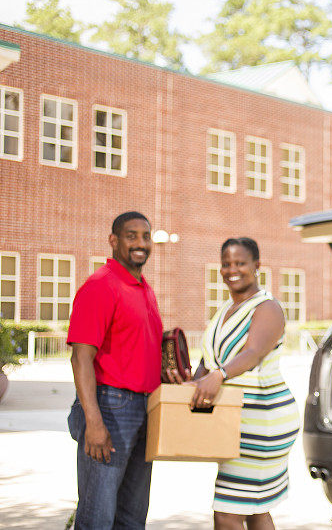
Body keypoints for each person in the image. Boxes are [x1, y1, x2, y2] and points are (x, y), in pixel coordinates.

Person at [185, 237, 300, 530]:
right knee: (254, 508)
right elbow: (209, 361)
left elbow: (253, 353)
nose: (231, 269)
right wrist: (191, 382)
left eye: (240, 263)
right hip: (235, 420)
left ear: (256, 266)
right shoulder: (225, 309)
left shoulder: (267, 307)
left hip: (262, 421)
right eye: (226, 264)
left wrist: (219, 376)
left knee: (227, 512)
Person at [67, 211, 163, 529]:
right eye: (131, 235)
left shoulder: (143, 288)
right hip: (110, 407)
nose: (140, 243)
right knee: (98, 515)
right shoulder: (100, 286)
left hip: (144, 407)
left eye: (146, 236)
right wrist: (93, 422)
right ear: (113, 240)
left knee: (133, 517)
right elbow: (81, 357)